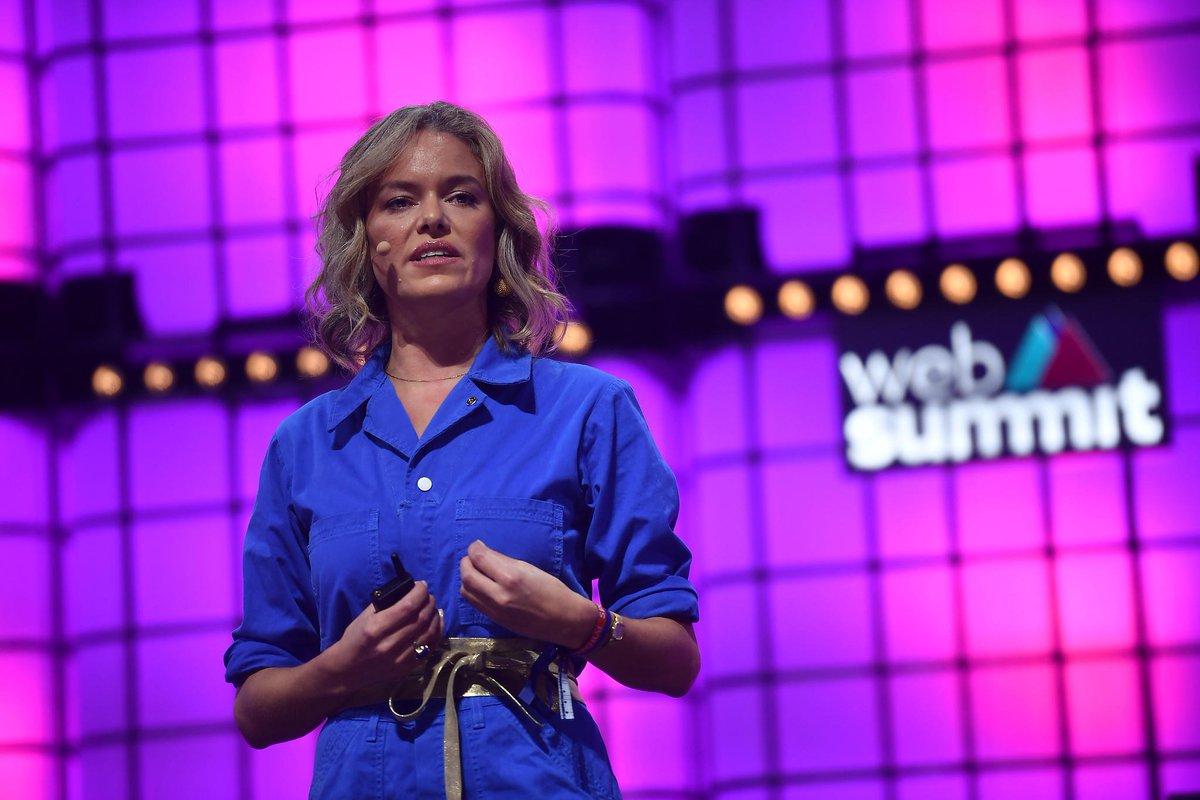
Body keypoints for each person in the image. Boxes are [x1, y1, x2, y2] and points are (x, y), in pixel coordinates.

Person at [223, 100, 700, 799]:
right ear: (367, 243)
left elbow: (676, 661)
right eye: (399, 201)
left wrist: (581, 623)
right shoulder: (305, 445)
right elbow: (257, 710)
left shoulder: (588, 411)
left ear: (497, 232)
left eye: (461, 196)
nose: (432, 219)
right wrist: (344, 667)